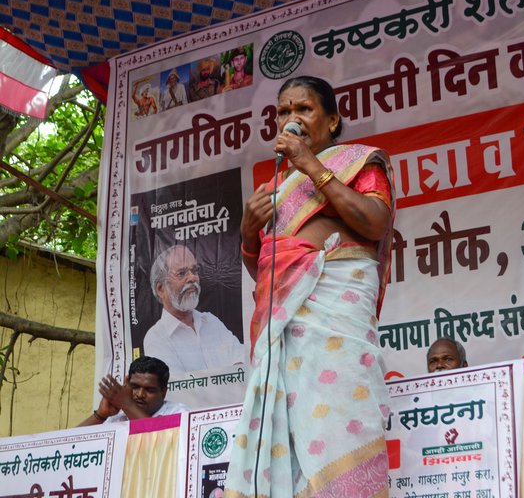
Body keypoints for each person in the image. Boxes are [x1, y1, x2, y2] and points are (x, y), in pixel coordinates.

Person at [224, 76, 396, 497]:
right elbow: (269, 273)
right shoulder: (277, 188)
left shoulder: (360, 162)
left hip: (338, 321)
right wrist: (249, 233)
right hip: (286, 336)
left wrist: (312, 166)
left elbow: (376, 222)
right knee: (292, 442)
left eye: (304, 109)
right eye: (283, 112)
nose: (291, 119)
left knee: (340, 425)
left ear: (333, 121)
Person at [143, 245, 244, 374]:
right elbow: (180, 389)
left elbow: (242, 363)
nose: (192, 278)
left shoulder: (211, 322)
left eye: (194, 270)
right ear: (161, 289)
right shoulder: (157, 338)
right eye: (182, 273)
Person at [79, 356, 188, 425]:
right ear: (127, 383)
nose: (140, 394)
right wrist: (101, 415)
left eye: (149, 390)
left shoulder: (179, 413)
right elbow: (69, 444)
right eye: (135, 387)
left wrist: (127, 404)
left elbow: (160, 438)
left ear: (163, 392)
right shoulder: (116, 416)